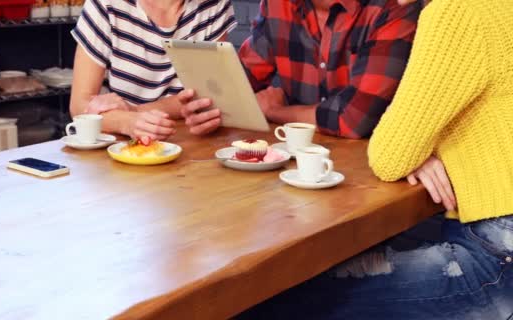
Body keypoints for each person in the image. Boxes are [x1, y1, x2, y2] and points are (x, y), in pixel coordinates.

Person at [236, 0, 513, 319]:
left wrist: (415, 145)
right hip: (493, 239)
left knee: (276, 299)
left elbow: (389, 156)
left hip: (494, 254)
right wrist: (424, 145)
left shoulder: (458, 14)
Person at [179, 0, 422, 138]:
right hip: (292, 164)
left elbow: (354, 120)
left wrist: (275, 111)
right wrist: (207, 106)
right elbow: (238, 81)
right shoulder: (279, 4)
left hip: (369, 174)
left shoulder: (393, 8)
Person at [69, 0, 237, 141]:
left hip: (186, 141)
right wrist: (125, 122)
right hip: (123, 146)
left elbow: (208, 96)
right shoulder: (107, 4)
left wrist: (133, 112)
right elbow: (78, 106)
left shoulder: (214, 5)